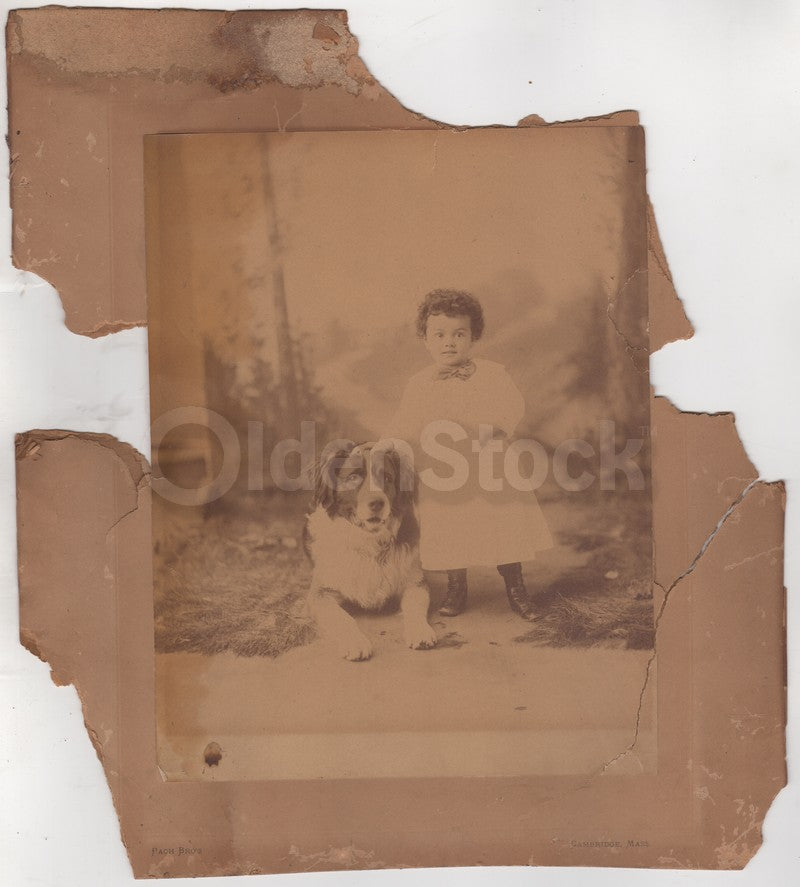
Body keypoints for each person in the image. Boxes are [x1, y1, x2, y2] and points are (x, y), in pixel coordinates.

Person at [383, 289, 553, 621]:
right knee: (449, 526)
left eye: (459, 334)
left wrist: (488, 429)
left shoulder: (492, 374)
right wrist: (386, 444)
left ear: (473, 337)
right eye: (439, 335)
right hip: (444, 468)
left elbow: (512, 407)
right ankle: (456, 588)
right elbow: (404, 422)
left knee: (503, 523)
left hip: (489, 462)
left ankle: (516, 588)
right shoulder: (419, 383)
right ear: (425, 340)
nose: (449, 343)